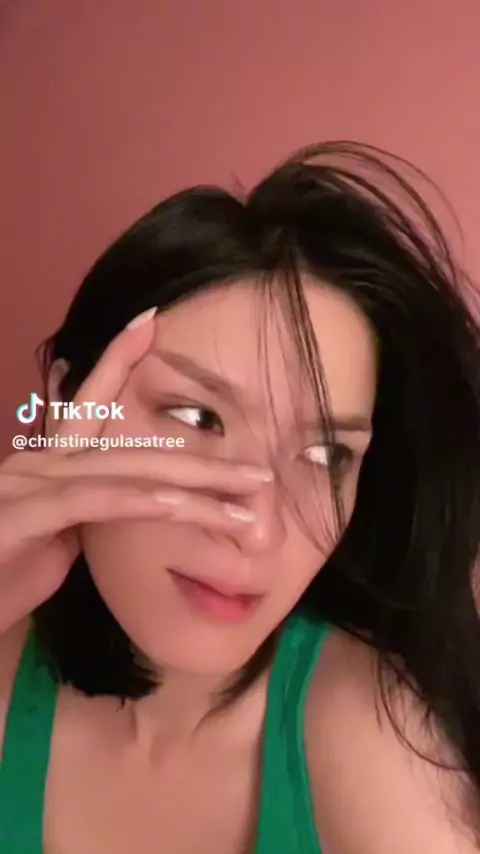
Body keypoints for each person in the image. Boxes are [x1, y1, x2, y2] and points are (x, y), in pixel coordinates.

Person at [0, 141, 479, 854]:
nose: (257, 529)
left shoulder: (367, 718)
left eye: (326, 455)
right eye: (198, 417)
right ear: (69, 405)